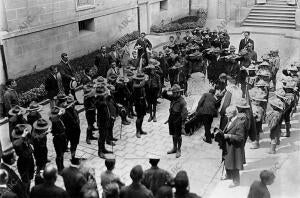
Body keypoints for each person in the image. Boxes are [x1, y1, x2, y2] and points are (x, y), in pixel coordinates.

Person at [222, 106, 246, 188]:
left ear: (232, 113)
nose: (226, 115)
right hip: (228, 146)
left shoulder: (239, 123)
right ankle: (228, 175)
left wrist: (229, 136)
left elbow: (240, 138)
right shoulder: (230, 120)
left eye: (227, 113)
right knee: (227, 161)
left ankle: (236, 182)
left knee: (234, 164)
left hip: (235, 148)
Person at [162, 84, 188, 158]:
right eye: (172, 93)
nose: (173, 94)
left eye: (174, 93)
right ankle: (174, 148)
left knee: (178, 136)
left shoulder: (182, 101)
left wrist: (182, 125)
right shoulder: (173, 98)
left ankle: (179, 149)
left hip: (178, 119)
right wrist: (167, 89)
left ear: (178, 93)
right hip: (171, 118)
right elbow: (164, 95)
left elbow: (185, 114)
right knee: (173, 134)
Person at [11, 124, 35, 193]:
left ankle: (28, 191)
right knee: (25, 181)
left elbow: (32, 139)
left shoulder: (26, 137)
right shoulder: (16, 141)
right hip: (23, 162)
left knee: (30, 177)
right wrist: (22, 136)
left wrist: (28, 134)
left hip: (30, 159)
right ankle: (25, 193)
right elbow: (16, 144)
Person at [60, 96, 81, 161]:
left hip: (76, 130)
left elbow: (77, 119)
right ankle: (73, 157)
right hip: (70, 131)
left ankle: (73, 156)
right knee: (73, 145)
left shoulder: (75, 110)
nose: (73, 105)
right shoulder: (64, 113)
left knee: (74, 144)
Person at [94, 86, 113, 159]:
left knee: (104, 135)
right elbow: (102, 104)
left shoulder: (102, 99)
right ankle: (100, 151)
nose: (104, 94)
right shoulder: (98, 101)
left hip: (105, 120)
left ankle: (103, 149)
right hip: (101, 121)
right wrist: (106, 96)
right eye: (102, 93)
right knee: (101, 137)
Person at [49, 106, 67, 173]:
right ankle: (59, 169)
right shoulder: (53, 119)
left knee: (62, 153)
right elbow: (53, 118)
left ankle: (62, 166)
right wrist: (58, 114)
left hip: (62, 137)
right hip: (57, 139)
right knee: (59, 155)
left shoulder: (59, 118)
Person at [133, 73, 148, 138]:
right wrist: (144, 81)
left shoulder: (141, 84)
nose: (142, 80)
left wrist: (146, 101)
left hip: (143, 101)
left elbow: (144, 93)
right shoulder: (135, 84)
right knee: (139, 117)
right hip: (138, 102)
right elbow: (140, 85)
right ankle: (137, 131)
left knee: (142, 116)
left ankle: (140, 129)